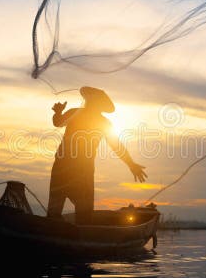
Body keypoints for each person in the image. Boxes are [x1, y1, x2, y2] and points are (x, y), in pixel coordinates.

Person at [47, 86, 146, 224]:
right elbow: (58, 122)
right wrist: (58, 112)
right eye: (90, 100)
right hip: (65, 168)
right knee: (57, 210)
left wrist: (131, 164)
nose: (90, 103)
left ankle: (75, 237)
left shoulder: (102, 122)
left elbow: (116, 146)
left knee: (83, 213)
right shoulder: (75, 113)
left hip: (81, 171)